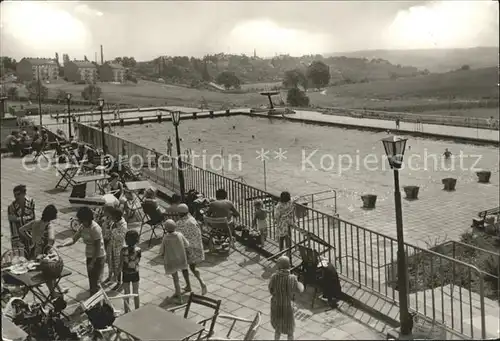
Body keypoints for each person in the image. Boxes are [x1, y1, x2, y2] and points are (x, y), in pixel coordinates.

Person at [58, 207, 106, 295]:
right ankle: (93, 297)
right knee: (91, 279)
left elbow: (98, 247)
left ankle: (99, 301)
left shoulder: (95, 228)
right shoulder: (82, 227)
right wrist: (63, 244)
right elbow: (74, 239)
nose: (81, 222)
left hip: (98, 256)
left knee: (97, 281)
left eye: (82, 220)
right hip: (89, 255)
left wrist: (93, 261)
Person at [268, 256, 304, 341]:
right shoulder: (292, 278)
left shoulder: (274, 277)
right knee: (290, 330)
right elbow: (299, 290)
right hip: (287, 306)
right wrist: (299, 283)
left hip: (276, 305)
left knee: (278, 329)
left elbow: (271, 290)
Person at [175, 204, 207, 295]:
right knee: (193, 268)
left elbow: (178, 238)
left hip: (186, 250)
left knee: (184, 268)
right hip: (197, 249)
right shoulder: (193, 220)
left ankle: (188, 285)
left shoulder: (178, 224)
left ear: (179, 214)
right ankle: (202, 282)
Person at [159, 219, 189, 303]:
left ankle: (179, 298)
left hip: (171, 261)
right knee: (183, 271)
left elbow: (161, 251)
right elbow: (187, 244)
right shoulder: (180, 235)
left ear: (165, 229)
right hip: (181, 259)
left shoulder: (165, 238)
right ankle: (180, 291)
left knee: (176, 279)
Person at [8, 185, 36, 250]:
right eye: (15, 195)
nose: (16, 197)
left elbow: (33, 217)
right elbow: (12, 221)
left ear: (24, 193)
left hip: (29, 232)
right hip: (18, 234)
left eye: (18, 194)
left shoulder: (31, 202)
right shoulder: (11, 207)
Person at [106, 207, 128, 291]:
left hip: (119, 248)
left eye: (112, 217)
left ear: (117, 217)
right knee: (111, 263)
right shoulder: (113, 223)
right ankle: (112, 277)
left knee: (118, 265)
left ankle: (119, 282)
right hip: (111, 246)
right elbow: (109, 234)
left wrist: (113, 230)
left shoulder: (123, 224)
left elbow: (121, 237)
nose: (111, 218)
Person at [120, 230, 141, 312]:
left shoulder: (123, 250)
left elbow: (121, 262)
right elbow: (137, 261)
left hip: (125, 273)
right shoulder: (139, 250)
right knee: (136, 292)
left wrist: (118, 272)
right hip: (135, 272)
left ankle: (126, 311)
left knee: (126, 293)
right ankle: (137, 309)